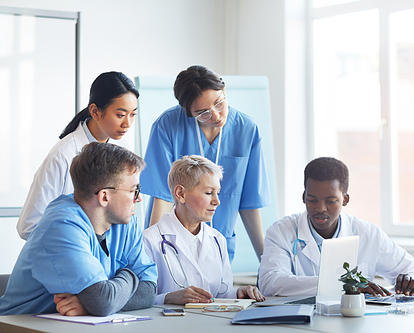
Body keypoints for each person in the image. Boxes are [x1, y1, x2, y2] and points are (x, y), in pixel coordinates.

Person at [0, 142, 157, 316]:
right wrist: (129, 275)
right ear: (105, 196)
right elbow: (103, 302)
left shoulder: (125, 222)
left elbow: (149, 290)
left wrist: (90, 305)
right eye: (134, 190)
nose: (139, 198)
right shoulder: (62, 226)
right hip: (19, 325)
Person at [140, 65, 270, 262]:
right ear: (188, 112)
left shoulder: (246, 129)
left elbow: (249, 202)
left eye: (219, 103)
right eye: (203, 113)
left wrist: (266, 261)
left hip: (220, 245)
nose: (216, 116)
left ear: (224, 90)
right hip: (174, 244)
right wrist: (154, 255)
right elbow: (163, 197)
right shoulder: (167, 126)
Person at [258, 157, 414, 297]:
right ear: (303, 196)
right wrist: (346, 285)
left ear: (345, 200)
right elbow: (270, 282)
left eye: (330, 201)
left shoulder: (368, 234)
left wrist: (411, 280)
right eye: (312, 200)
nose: (320, 208)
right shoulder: (281, 231)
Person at [17, 71, 139, 240]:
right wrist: (78, 241)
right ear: (95, 112)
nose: (127, 124)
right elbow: (29, 226)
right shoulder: (62, 156)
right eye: (120, 115)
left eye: (133, 114)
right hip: (70, 250)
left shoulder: (123, 149)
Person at [143, 155, 265, 305]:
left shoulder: (217, 240)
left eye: (218, 193)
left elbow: (220, 295)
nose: (217, 201)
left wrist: (239, 293)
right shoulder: (149, 241)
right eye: (208, 193)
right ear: (180, 194)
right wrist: (168, 298)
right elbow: (140, 302)